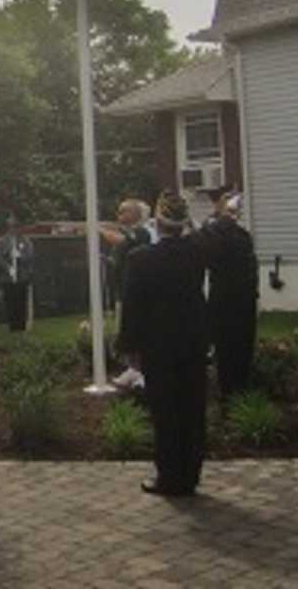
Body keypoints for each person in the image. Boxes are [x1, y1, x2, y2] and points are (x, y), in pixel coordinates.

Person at [119, 191, 208, 497]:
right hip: (193, 342)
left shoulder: (141, 259)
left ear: (157, 221)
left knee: (165, 411)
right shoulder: (197, 251)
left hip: (158, 346)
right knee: (192, 409)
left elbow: (131, 307)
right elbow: (199, 236)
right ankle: (191, 474)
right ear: (184, 222)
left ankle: (169, 476)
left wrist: (129, 346)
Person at [196, 191, 259, 401]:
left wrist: (223, 218)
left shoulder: (236, 233)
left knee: (240, 350)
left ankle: (237, 391)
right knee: (227, 350)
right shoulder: (214, 231)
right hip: (225, 299)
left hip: (241, 299)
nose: (236, 210)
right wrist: (223, 217)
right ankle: (231, 393)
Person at [102, 199, 153, 389]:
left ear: (137, 214)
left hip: (139, 291)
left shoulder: (142, 232)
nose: (119, 216)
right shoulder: (129, 232)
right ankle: (133, 368)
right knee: (126, 330)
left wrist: (100, 231)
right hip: (124, 289)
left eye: (124, 212)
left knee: (138, 330)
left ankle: (142, 371)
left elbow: (122, 240)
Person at [0, 214, 33, 331]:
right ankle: (12, 326)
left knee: (21, 303)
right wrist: (8, 268)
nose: (14, 229)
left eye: (16, 226)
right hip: (7, 278)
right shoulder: (1, 241)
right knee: (10, 303)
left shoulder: (25, 241)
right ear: (7, 228)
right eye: (11, 227)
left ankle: (21, 326)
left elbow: (30, 256)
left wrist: (20, 256)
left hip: (22, 277)